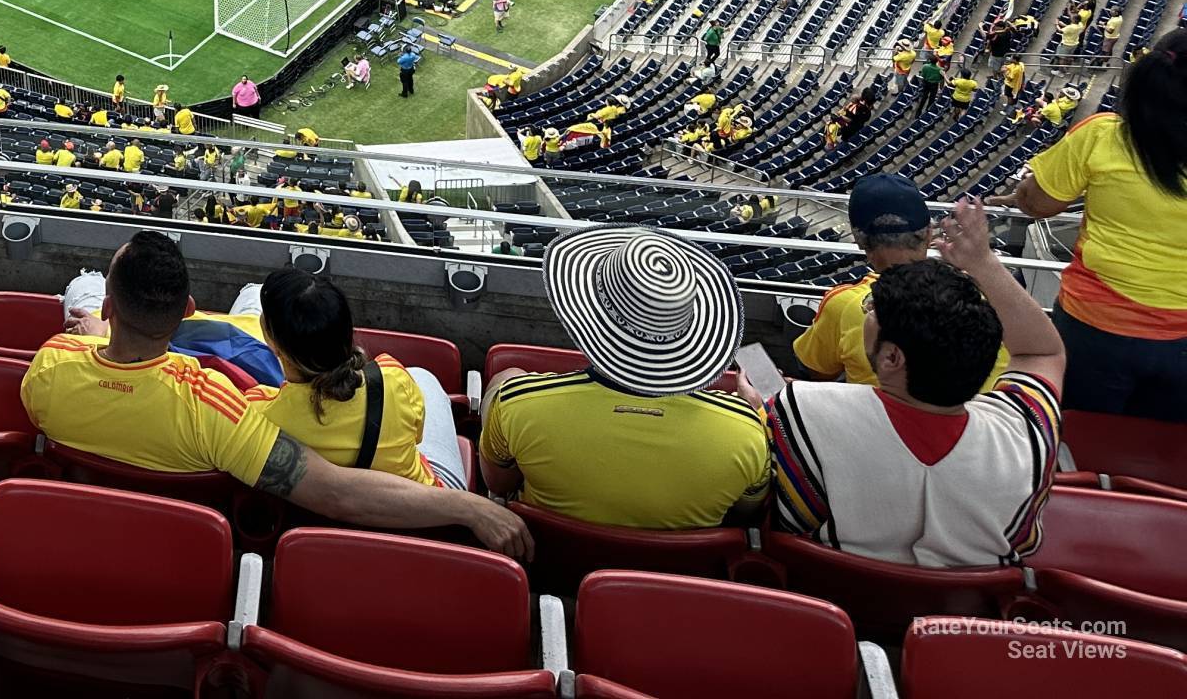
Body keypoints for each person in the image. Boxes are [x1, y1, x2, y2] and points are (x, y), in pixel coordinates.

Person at [21, 233, 530, 556]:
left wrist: (83, 338)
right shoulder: (216, 406)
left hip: (89, 537)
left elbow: (98, 360)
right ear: (188, 313)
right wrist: (469, 507)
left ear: (109, 308)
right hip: (183, 542)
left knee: (79, 285)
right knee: (422, 378)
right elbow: (336, 491)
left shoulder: (46, 370)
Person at [768, 199, 1063, 566]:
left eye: (873, 310)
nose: (867, 313)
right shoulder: (1026, 434)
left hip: (831, 599)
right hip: (968, 615)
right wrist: (983, 263)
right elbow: (1042, 352)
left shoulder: (800, 408)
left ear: (891, 358)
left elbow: (785, 520)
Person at [479, 228, 771, 529]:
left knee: (506, 376)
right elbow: (745, 517)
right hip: (674, 575)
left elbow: (498, 484)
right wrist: (754, 415)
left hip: (547, 563)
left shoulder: (518, 404)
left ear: (585, 314)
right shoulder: (748, 434)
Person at [1001, 31, 1187, 418]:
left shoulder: (1102, 135)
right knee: (1164, 451)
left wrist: (1020, 192)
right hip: (1181, 339)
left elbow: (1037, 204)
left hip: (1094, 324)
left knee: (1079, 436)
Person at [792, 174, 1005, 389]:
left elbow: (816, 374)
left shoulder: (843, 305)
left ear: (859, 240)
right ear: (930, 233)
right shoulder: (990, 305)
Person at [258, 269, 466, 488]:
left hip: (320, 518)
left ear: (273, 344)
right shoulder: (394, 379)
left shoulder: (267, 416)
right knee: (424, 377)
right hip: (429, 508)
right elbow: (416, 438)